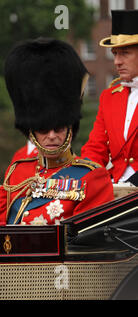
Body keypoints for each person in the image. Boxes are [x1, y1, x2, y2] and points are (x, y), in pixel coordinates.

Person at [0, 38, 114, 226]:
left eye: (59, 128)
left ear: (70, 127)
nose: (52, 135)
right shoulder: (18, 171)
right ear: (31, 132)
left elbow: (84, 243)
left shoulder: (92, 176)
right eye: (43, 129)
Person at [81, 10, 138, 186]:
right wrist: (81, 177)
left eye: (125, 53)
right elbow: (96, 148)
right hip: (116, 187)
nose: (117, 62)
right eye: (115, 53)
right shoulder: (109, 97)